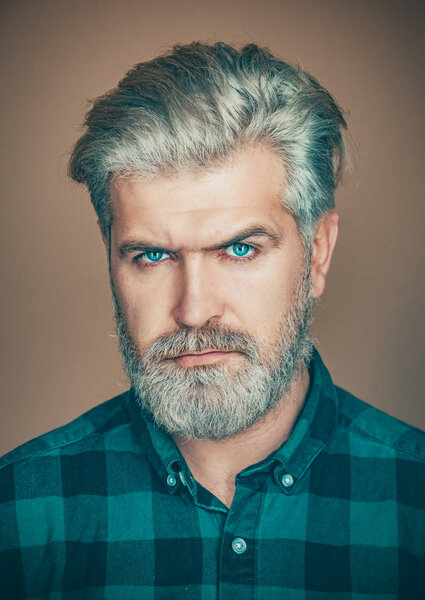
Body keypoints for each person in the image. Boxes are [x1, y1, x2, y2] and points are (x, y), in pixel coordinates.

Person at [1, 42, 424, 600]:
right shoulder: (20, 510)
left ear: (318, 251)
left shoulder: (414, 498)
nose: (194, 309)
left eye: (240, 250)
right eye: (152, 256)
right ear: (109, 258)